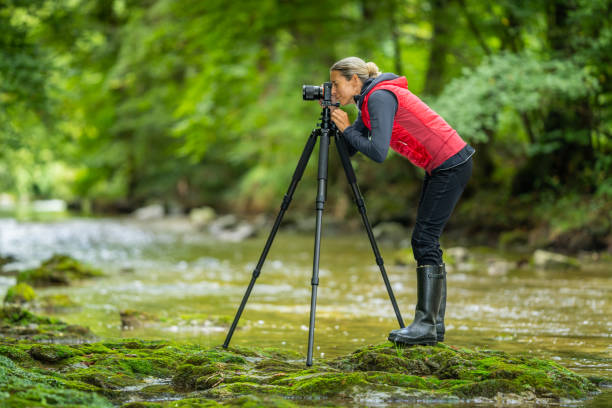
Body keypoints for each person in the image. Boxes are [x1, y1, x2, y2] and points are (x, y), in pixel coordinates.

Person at [328, 56, 474, 346]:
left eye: (335, 85)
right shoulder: (367, 101)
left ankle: (425, 325)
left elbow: (378, 152)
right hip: (443, 165)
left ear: (354, 80)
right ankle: (433, 326)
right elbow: (351, 151)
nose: (332, 91)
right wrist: (336, 125)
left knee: (424, 240)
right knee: (425, 240)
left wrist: (346, 129)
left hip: (451, 164)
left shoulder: (379, 97)